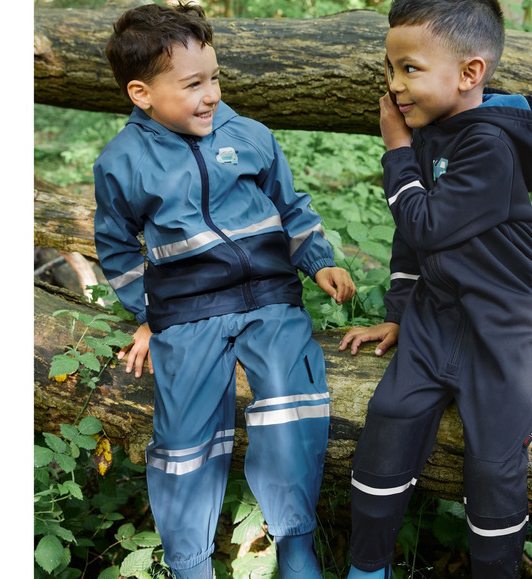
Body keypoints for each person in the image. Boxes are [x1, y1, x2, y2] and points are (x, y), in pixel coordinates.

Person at [92, 3, 356, 578]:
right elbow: (115, 247)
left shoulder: (250, 136)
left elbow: (291, 208)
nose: (211, 94)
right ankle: (190, 564)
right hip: (186, 312)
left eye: (214, 77)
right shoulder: (123, 162)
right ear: (142, 93)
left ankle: (295, 544)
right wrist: (147, 312)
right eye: (193, 84)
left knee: (293, 405)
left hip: (269, 299)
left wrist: (317, 263)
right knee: (184, 439)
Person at [338, 1, 532, 577]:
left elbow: (426, 223)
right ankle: (367, 566)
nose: (394, 86)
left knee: (492, 462)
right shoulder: (432, 133)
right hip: (436, 317)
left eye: (409, 69)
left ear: (470, 74)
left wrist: (396, 153)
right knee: (389, 416)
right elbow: (413, 244)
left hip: (504, 328)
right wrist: (397, 314)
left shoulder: (489, 145)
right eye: (390, 70)